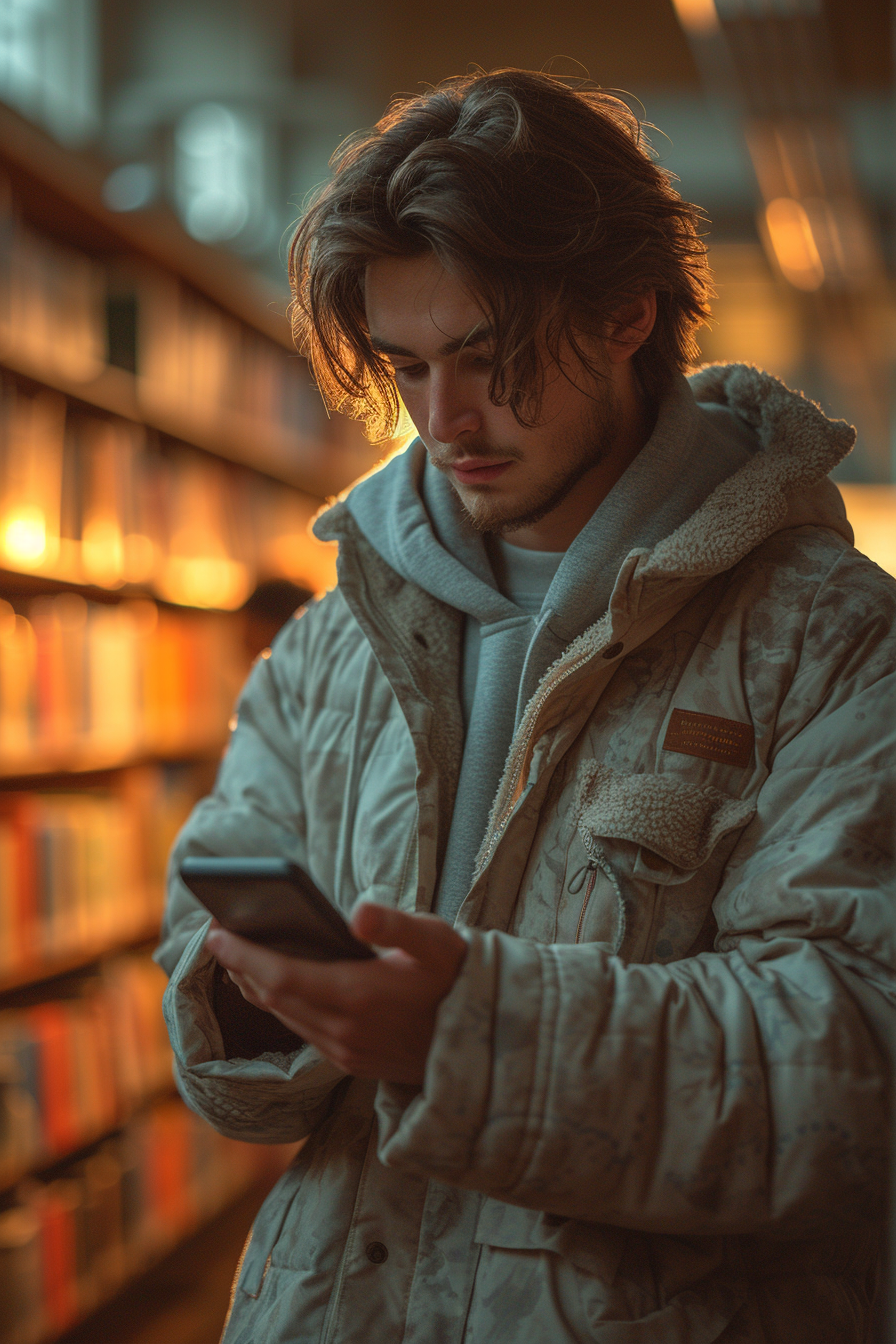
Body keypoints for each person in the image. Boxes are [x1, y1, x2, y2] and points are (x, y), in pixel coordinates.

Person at [156, 69, 894, 1343]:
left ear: (625, 313)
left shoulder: (828, 642)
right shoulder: (331, 646)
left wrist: (459, 1029)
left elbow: (849, 1067)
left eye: (489, 362)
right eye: (407, 367)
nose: (443, 421)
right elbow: (209, 964)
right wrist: (251, 996)